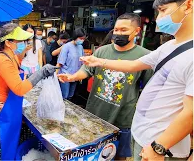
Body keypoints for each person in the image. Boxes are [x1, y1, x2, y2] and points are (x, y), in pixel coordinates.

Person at [78, 0, 193, 160]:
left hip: (161, 145)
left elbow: (190, 112)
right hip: (142, 133)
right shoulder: (170, 46)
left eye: (163, 10)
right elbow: (133, 65)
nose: (159, 17)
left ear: (188, 5)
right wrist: (98, 60)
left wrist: (160, 147)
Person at [58, 13, 154, 160]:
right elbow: (87, 70)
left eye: (124, 30)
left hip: (123, 116)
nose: (118, 33)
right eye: (116, 30)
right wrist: (72, 77)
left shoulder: (145, 57)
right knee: (93, 152)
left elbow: (149, 89)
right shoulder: (102, 51)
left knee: (119, 156)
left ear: (137, 31)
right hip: (96, 112)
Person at [0, 23, 57, 160]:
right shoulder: (3, 60)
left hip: (5, 106)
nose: (24, 43)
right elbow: (19, 89)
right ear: (9, 43)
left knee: (4, 147)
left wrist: (25, 52)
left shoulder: (10, 55)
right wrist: (41, 73)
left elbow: (18, 60)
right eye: (20, 41)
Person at [57, 28, 86, 100]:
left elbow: (82, 61)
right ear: (75, 37)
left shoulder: (80, 47)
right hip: (65, 75)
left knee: (71, 95)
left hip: (75, 75)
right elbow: (60, 63)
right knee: (65, 96)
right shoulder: (66, 46)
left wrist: (80, 75)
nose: (82, 40)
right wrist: (56, 75)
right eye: (80, 38)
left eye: (83, 39)